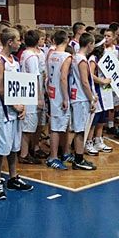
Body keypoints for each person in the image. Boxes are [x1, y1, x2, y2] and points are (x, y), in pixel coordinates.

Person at [0, 28, 33, 200]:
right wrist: (15, 106)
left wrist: (24, 106)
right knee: (0, 150)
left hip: (15, 112)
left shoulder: (14, 60)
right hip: (3, 113)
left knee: (14, 147)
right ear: (10, 42)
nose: (20, 43)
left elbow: (19, 87)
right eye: (18, 40)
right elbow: (1, 89)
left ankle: (13, 178)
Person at [69, 33, 98, 170]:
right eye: (93, 44)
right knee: (80, 130)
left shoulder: (76, 57)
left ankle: (79, 157)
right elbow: (85, 82)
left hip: (79, 97)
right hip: (81, 98)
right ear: (89, 44)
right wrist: (91, 98)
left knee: (80, 129)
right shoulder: (81, 59)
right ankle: (78, 160)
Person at [45, 30, 72, 169]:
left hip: (52, 91)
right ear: (67, 40)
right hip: (60, 94)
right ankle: (53, 157)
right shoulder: (66, 56)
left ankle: (65, 152)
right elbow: (63, 78)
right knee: (56, 127)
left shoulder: (51, 54)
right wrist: (66, 98)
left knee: (63, 125)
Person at [18, 30, 43, 165]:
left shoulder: (24, 54)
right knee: (28, 127)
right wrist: (39, 97)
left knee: (28, 126)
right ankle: (24, 154)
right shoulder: (32, 57)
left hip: (25, 91)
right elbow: (35, 78)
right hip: (30, 93)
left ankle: (26, 151)